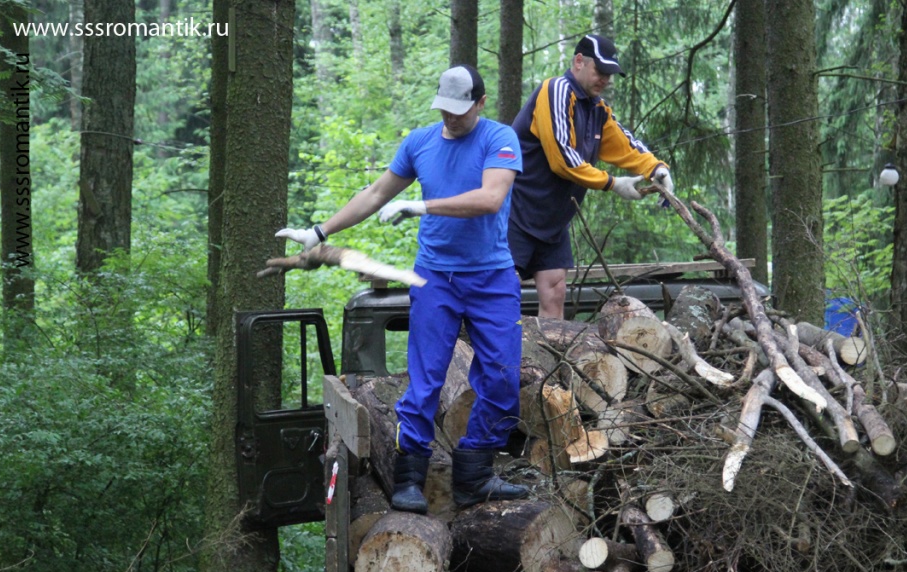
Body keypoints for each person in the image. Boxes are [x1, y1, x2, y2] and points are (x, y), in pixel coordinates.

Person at [275, 65, 528, 514]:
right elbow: (375, 193)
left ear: (481, 103)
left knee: (503, 376)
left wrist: (422, 205)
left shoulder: (499, 138)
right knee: (425, 378)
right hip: (435, 278)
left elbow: (491, 198)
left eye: (461, 110)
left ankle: (474, 474)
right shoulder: (420, 143)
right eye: (445, 109)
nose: (452, 117)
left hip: (492, 278)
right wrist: (319, 231)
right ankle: (409, 477)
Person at [509, 34, 675, 318]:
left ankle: (547, 348)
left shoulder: (597, 109)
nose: (605, 80)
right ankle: (491, 348)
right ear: (579, 62)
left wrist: (656, 168)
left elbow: (625, 144)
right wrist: (612, 183)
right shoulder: (556, 90)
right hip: (516, 212)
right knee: (502, 291)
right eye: (600, 71)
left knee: (555, 291)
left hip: (553, 220)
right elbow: (562, 159)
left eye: (610, 74)